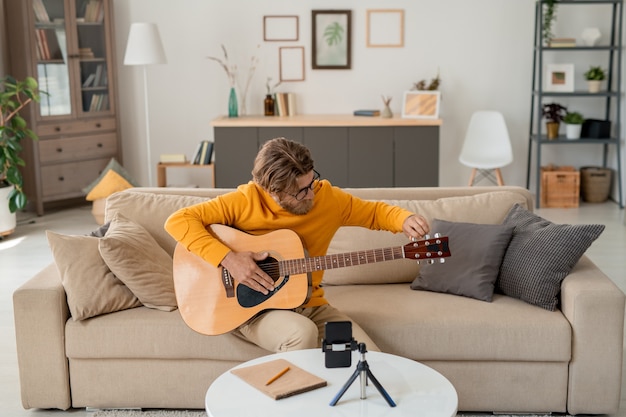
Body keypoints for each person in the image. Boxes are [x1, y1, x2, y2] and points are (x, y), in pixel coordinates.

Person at [165, 137, 429, 353]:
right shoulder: (245, 201)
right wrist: (229, 259)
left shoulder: (326, 198)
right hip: (252, 310)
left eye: (311, 182)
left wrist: (404, 219)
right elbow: (178, 221)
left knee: (372, 361)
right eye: (300, 191)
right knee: (301, 333)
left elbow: (374, 213)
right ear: (271, 191)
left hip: (310, 305)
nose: (311, 194)